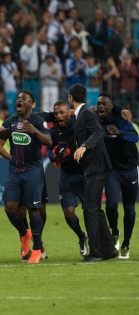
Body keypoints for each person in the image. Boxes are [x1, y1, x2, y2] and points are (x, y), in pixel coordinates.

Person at [0, 90, 52, 264]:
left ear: (32, 105)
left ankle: (36, 249)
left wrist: (34, 131)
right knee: (10, 207)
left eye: (24, 99)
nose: (19, 100)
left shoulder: (38, 121)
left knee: (35, 210)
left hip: (33, 170)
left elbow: (49, 142)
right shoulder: (10, 121)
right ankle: (24, 233)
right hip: (15, 171)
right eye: (18, 98)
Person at [69, 83, 118, 262]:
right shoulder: (80, 115)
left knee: (89, 208)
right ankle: (109, 249)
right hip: (93, 166)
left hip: (96, 166)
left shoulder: (86, 114)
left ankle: (95, 252)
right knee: (95, 209)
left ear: (70, 98)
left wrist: (84, 146)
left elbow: (99, 132)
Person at [96, 93, 138, 259]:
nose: (100, 106)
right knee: (111, 205)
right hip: (112, 170)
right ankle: (115, 232)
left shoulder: (122, 119)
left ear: (111, 106)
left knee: (130, 209)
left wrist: (119, 132)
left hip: (130, 170)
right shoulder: (97, 119)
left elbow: (135, 137)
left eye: (104, 104)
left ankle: (126, 242)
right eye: (98, 103)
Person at [46, 101, 89, 256]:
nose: (58, 116)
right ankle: (81, 236)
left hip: (83, 174)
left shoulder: (78, 125)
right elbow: (50, 152)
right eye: (56, 113)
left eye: (62, 112)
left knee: (90, 211)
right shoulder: (53, 132)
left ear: (70, 112)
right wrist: (55, 155)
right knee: (69, 212)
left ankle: (98, 241)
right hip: (66, 176)